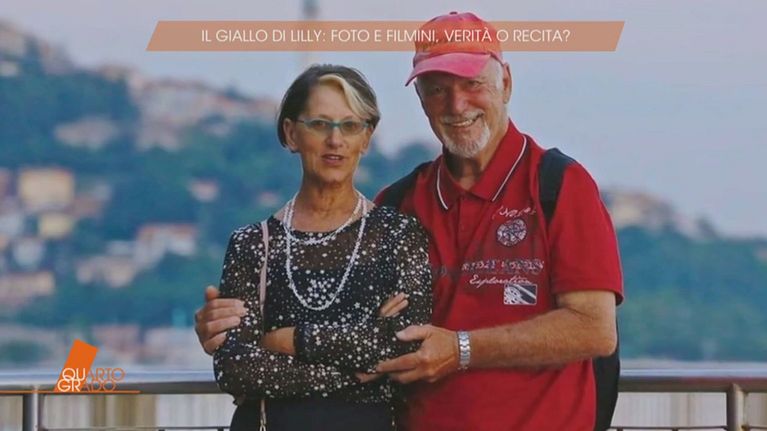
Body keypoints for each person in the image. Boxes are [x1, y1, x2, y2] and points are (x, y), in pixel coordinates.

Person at [197, 12, 624, 431]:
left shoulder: (558, 186)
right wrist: (229, 329)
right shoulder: (400, 204)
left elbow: (594, 329)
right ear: (420, 99)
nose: (456, 104)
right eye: (437, 90)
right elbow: (343, 331)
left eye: (472, 84)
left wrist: (460, 349)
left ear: (506, 83)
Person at [209, 64, 432, 431]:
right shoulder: (252, 244)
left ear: (367, 138)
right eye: (319, 124)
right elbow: (237, 369)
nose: (335, 140)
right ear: (291, 133)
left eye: (350, 125)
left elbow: (404, 344)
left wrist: (290, 339)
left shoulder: (398, 235)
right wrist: (356, 368)